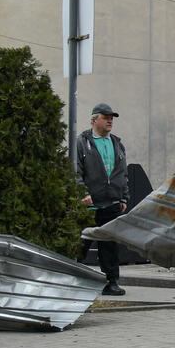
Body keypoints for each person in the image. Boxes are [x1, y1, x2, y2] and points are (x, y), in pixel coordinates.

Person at [76, 102, 129, 296]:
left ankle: (111, 281)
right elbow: (75, 171)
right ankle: (73, 278)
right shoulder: (82, 142)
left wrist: (124, 197)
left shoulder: (117, 143)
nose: (110, 121)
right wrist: (82, 193)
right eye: (105, 117)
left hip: (113, 203)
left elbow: (123, 173)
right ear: (93, 119)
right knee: (82, 243)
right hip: (90, 203)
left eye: (111, 118)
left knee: (109, 246)